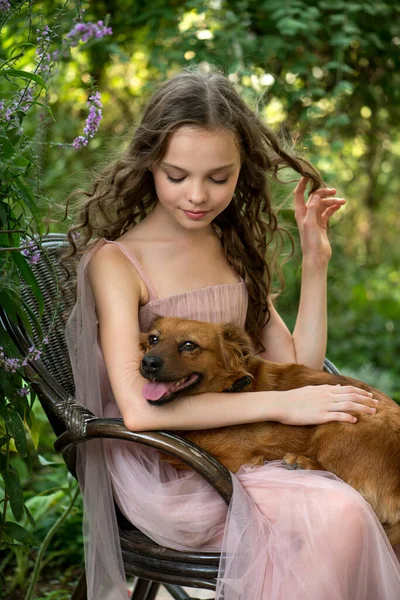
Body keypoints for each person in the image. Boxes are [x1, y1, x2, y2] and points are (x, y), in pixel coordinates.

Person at [64, 66, 400, 600]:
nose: (197, 195)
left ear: (242, 170)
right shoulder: (118, 261)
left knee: (354, 501)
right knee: (339, 513)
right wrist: (286, 408)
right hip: (175, 465)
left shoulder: (230, 247)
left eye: (219, 178)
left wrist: (316, 263)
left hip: (251, 447)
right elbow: (140, 411)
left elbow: (298, 362)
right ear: (149, 163)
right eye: (177, 176)